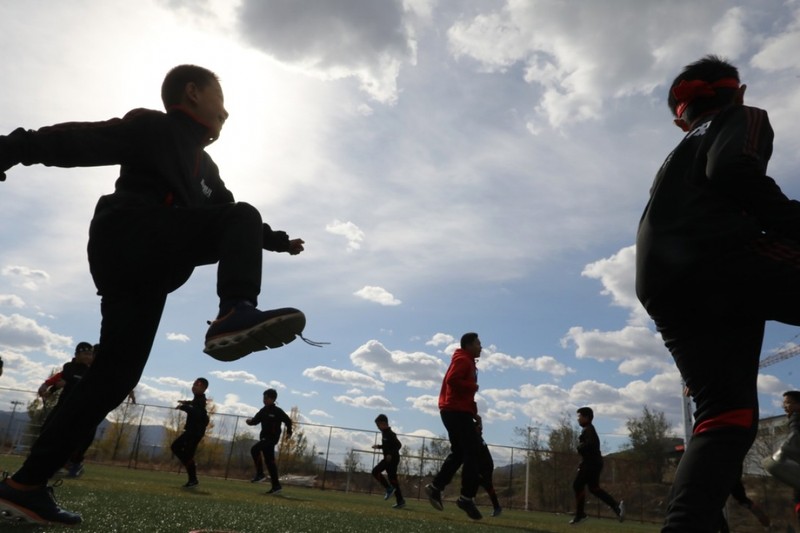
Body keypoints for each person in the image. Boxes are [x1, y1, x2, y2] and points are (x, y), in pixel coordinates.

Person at [0, 64, 307, 525]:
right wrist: (10, 149)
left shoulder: (206, 169)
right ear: (193, 93)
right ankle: (234, 311)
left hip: (150, 272)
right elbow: (78, 139)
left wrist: (277, 241)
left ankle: (25, 486)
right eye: (220, 96)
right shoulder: (153, 128)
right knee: (241, 215)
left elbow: (233, 221)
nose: (227, 110)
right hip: (129, 234)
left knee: (112, 380)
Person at [635, 54, 800, 532]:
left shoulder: (674, 158)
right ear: (740, 92)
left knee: (725, 416)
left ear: (678, 119)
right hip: (718, 260)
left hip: (663, 282)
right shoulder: (742, 117)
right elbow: (732, 170)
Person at [425, 332, 484, 520]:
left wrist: (473, 413)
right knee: (473, 451)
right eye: (478, 344)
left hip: (456, 410)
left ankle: (436, 487)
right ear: (468, 345)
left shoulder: (467, 361)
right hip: (454, 411)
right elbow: (452, 380)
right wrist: (473, 387)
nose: (481, 347)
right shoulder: (463, 360)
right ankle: (466, 497)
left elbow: (464, 393)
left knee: (460, 452)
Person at [37, 342, 96, 479]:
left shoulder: (92, 371)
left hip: (81, 411)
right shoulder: (69, 367)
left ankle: (72, 464)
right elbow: (63, 379)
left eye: (90, 354)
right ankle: (44, 461)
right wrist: (48, 388)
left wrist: (66, 383)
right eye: (86, 353)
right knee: (47, 431)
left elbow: (73, 381)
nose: (89, 357)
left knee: (76, 439)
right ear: (77, 354)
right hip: (64, 407)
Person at [569, 407, 624, 524]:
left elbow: (590, 444)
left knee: (577, 484)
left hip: (590, 462)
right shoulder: (589, 429)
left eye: (579, 416)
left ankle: (580, 515)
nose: (578, 419)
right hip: (595, 462)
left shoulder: (588, 429)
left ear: (586, 417)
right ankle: (616, 506)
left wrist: (580, 447)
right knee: (594, 488)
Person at [763, 390, 800, 525]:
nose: (784, 406)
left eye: (788, 403)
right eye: (784, 404)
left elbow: (794, 437)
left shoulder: (796, 417)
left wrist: (782, 453)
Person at [246, 388, 292, 494]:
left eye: (266, 398)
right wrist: (249, 422)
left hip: (272, 439)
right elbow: (255, 421)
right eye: (263, 397)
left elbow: (288, 421)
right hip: (264, 438)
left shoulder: (277, 411)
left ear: (273, 399)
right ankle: (276, 486)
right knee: (270, 462)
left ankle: (260, 474)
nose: (264, 400)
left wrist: (289, 432)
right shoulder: (263, 410)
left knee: (254, 449)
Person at [171, 378, 210, 488]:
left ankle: (192, 469)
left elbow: (195, 411)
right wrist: (186, 402)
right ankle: (192, 478)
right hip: (194, 431)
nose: (194, 386)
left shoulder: (201, 400)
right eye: (193, 384)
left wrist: (183, 406)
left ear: (203, 388)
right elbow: (194, 405)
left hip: (195, 432)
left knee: (176, 446)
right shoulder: (198, 399)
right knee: (185, 452)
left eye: (197, 385)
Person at [371, 414, 405, 509]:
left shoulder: (390, 433)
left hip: (391, 459)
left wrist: (390, 454)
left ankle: (388, 489)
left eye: (378, 425)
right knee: (393, 480)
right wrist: (379, 446)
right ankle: (400, 501)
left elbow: (398, 445)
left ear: (384, 423)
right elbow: (387, 445)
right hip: (390, 458)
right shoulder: (384, 433)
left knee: (375, 471)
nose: (378, 427)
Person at [476, 425, 501, 517]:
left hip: (485, 466)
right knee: (478, 483)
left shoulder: (477, 439)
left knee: (487, 485)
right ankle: (469, 502)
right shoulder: (478, 438)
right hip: (484, 466)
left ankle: (497, 507)